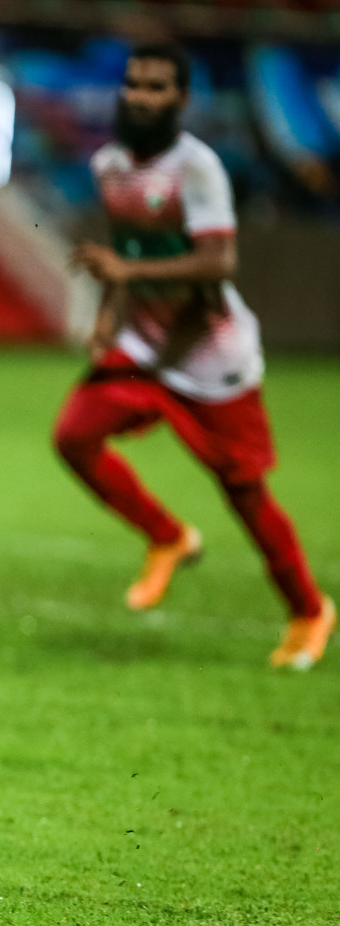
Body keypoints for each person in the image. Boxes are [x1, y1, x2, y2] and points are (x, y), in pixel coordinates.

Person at [62, 42, 333, 669]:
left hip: (210, 351)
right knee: (75, 434)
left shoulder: (198, 168)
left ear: (181, 99)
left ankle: (310, 610)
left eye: (156, 88)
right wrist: (109, 314)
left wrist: (127, 271)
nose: (140, 97)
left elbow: (219, 262)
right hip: (148, 339)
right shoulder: (109, 165)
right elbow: (126, 247)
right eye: (132, 85)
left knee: (245, 494)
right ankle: (168, 536)